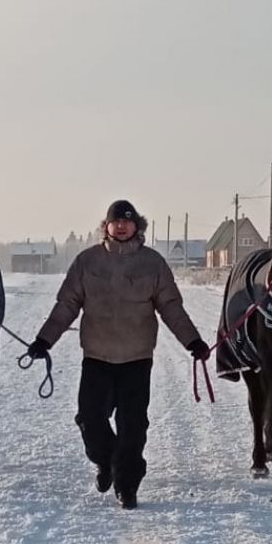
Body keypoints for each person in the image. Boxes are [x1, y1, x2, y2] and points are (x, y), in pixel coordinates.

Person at [26, 199, 210, 509]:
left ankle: (127, 485)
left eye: (127, 221)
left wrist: (192, 342)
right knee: (89, 418)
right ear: (106, 226)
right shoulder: (88, 262)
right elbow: (67, 305)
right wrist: (45, 340)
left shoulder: (152, 264)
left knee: (133, 426)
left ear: (137, 225)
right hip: (97, 357)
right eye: (116, 221)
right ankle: (106, 461)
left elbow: (171, 308)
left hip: (136, 359)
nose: (121, 226)